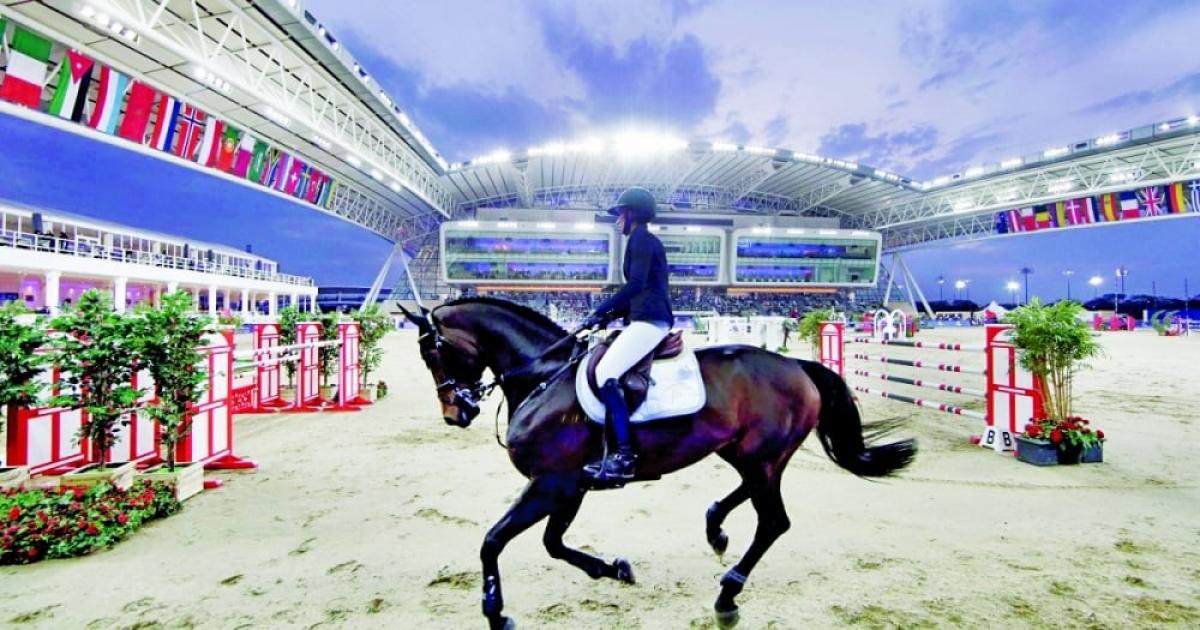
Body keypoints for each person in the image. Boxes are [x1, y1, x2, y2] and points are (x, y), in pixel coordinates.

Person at [579, 187, 674, 487]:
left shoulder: (641, 239)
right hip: (643, 316)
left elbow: (636, 285)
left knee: (606, 372)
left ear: (633, 213)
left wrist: (600, 310)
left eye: (620, 214)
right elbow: (635, 293)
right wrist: (605, 317)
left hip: (651, 319)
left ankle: (624, 454)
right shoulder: (640, 240)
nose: (617, 219)